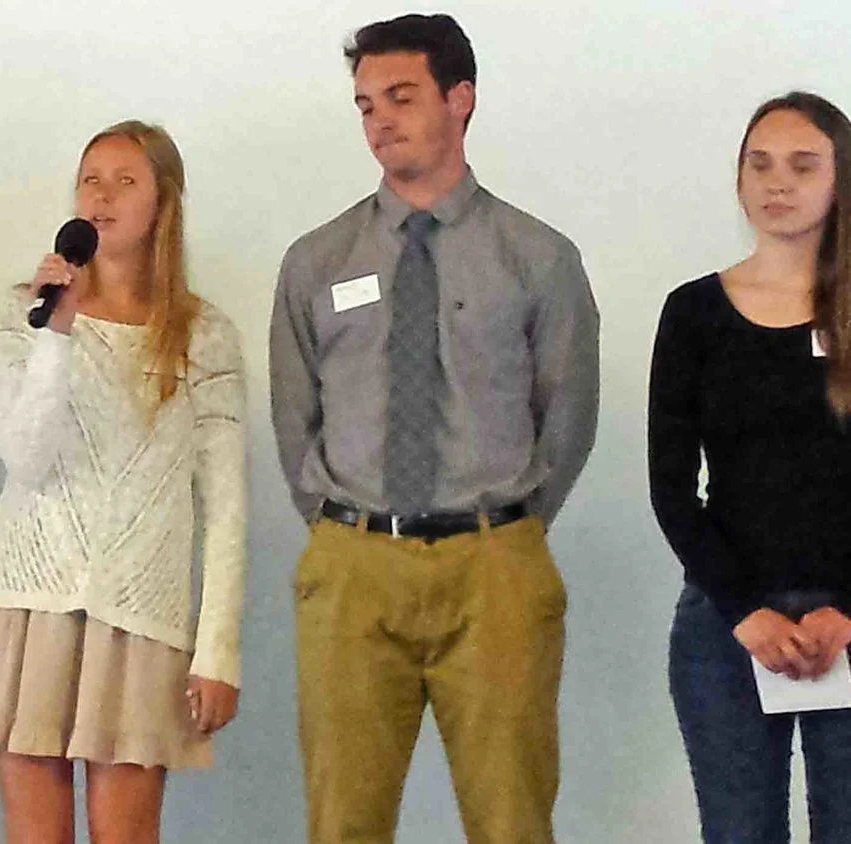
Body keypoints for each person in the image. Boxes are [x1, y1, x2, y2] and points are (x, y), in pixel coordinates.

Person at [268, 13, 600, 843]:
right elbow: (293, 416)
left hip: (494, 570)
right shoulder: (317, 261)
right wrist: (341, 531)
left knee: (511, 821)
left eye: (401, 96)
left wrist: (504, 530)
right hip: (352, 567)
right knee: (343, 823)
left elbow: (567, 418)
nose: (380, 120)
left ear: (461, 98)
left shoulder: (538, 256)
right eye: (365, 105)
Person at [0, 121, 247, 844]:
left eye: (125, 181)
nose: (103, 197)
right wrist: (56, 332)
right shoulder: (24, 312)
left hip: (142, 616)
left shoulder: (203, 333)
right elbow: (25, 456)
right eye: (90, 180)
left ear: (163, 201)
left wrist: (217, 651)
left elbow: (226, 502)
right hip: (28, 605)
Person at [650, 91, 851, 842]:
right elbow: (671, 488)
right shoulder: (694, 313)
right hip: (728, 624)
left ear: (841, 179)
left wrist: (845, 610)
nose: (778, 183)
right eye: (760, 164)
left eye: (803, 166)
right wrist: (745, 613)